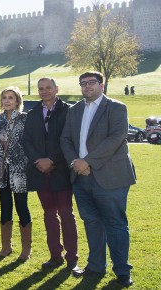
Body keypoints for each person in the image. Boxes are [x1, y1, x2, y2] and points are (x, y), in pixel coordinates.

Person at [61, 71, 136, 287]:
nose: (87, 87)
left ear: (101, 85)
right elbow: (65, 139)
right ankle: (95, 266)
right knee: (92, 223)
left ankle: (122, 271)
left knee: (115, 224)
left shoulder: (116, 108)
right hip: (81, 177)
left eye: (91, 82)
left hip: (110, 177)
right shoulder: (74, 110)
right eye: (83, 83)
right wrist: (76, 162)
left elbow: (116, 138)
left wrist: (88, 162)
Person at [22, 78, 79, 270]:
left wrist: (52, 160)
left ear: (56, 89)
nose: (45, 91)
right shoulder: (33, 113)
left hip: (61, 170)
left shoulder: (69, 111)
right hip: (40, 172)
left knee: (66, 213)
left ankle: (72, 257)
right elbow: (26, 141)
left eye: (48, 88)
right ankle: (56, 255)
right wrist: (39, 160)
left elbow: (71, 140)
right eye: (41, 88)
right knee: (49, 214)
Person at [0, 86, 31, 261]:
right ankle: (6, 246)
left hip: (19, 169)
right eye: (4, 98)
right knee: (5, 207)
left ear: (18, 101)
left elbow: (30, 143)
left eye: (11, 98)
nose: (7, 101)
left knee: (21, 206)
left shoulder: (25, 119)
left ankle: (26, 249)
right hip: (1, 170)